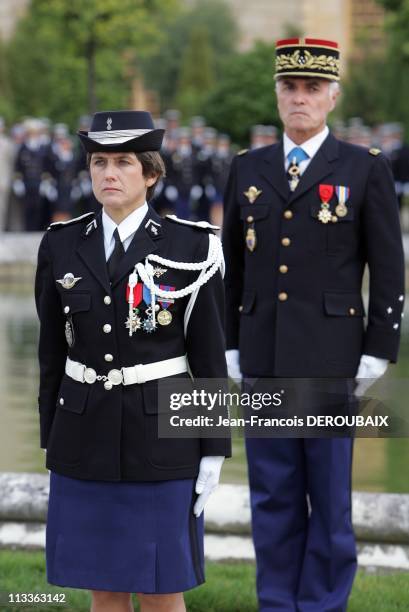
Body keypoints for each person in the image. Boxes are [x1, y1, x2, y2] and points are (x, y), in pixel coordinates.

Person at [222, 38, 404, 611]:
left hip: (332, 359)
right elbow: (232, 266)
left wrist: (378, 352)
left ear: (332, 96)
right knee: (272, 493)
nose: (299, 99)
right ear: (277, 96)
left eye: (311, 89)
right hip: (264, 356)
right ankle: (277, 601)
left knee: (328, 497)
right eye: (289, 88)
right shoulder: (246, 169)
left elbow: (389, 268)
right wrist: (229, 344)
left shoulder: (362, 168)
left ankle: (323, 602)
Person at [35, 110, 231, 612]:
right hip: (84, 435)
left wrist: (213, 450)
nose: (108, 173)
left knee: (163, 589)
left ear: (151, 173)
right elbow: (51, 353)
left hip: (162, 438)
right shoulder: (60, 245)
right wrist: (50, 437)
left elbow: (208, 357)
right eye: (99, 162)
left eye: (123, 162)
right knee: (104, 589)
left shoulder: (192, 245)